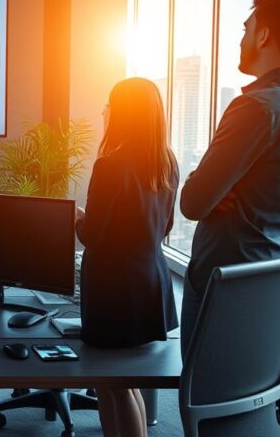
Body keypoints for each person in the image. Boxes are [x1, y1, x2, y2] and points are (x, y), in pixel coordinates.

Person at [179, 0, 280, 356]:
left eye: (247, 29)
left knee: (204, 400)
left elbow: (193, 203)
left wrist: (206, 184)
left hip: (227, 279)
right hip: (277, 274)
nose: (241, 39)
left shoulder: (254, 108)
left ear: (263, 36)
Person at [75, 77, 179, 437]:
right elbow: (165, 225)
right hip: (149, 284)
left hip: (114, 292)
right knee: (123, 383)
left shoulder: (111, 166)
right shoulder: (166, 161)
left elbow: (93, 236)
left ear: (122, 114)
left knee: (111, 386)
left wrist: (76, 217)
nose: (104, 110)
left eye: (109, 104)